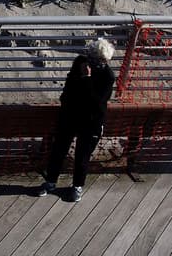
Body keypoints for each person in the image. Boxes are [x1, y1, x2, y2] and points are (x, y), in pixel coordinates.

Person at [36, 37, 116, 203]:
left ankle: (77, 186)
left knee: (82, 156)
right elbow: (70, 86)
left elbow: (97, 102)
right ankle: (50, 182)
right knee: (59, 149)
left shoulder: (107, 76)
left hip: (91, 120)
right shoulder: (80, 62)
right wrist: (66, 102)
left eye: (98, 59)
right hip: (71, 115)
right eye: (91, 57)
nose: (93, 62)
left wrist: (87, 78)